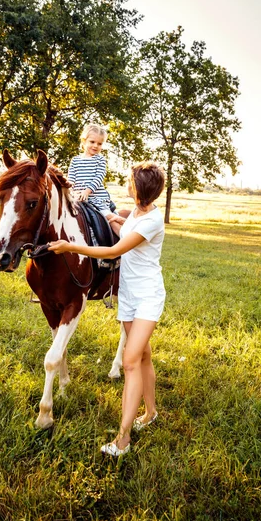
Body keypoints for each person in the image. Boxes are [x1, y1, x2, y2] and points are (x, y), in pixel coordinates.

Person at [49, 161, 166, 456]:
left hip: (148, 297)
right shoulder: (138, 213)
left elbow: (115, 250)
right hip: (128, 296)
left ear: (139, 188)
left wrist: (70, 247)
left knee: (130, 361)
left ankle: (123, 439)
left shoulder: (153, 221)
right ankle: (150, 413)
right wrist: (108, 216)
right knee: (144, 355)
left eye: (130, 180)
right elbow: (121, 225)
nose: (126, 183)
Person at [68, 125, 117, 220]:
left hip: (96, 199)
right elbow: (71, 180)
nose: (95, 146)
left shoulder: (100, 160)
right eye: (92, 142)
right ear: (84, 141)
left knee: (107, 217)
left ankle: (123, 229)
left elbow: (98, 178)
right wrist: (72, 192)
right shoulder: (75, 160)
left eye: (99, 144)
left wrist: (87, 192)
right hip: (78, 198)